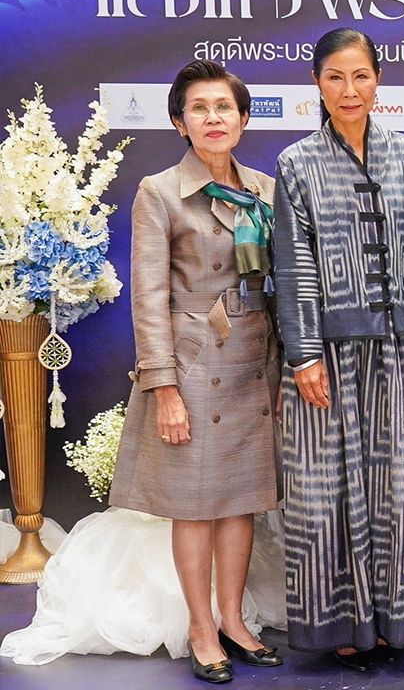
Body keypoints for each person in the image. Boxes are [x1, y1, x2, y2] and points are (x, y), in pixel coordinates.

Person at [107, 59, 282, 683]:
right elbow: (148, 296)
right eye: (200, 109)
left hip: (254, 370)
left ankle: (235, 621)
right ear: (180, 122)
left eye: (225, 108)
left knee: (240, 504)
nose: (214, 118)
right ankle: (202, 627)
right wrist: (165, 388)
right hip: (193, 367)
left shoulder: (265, 188)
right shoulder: (159, 192)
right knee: (197, 507)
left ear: (242, 118)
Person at [273, 28, 404, 672]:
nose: (349, 90)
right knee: (323, 490)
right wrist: (304, 352)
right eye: (335, 76)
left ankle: (393, 620)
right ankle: (339, 620)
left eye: (360, 76)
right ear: (317, 83)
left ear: (378, 80)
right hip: (327, 360)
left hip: (397, 353)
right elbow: (292, 261)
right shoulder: (297, 163)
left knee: (395, 485)